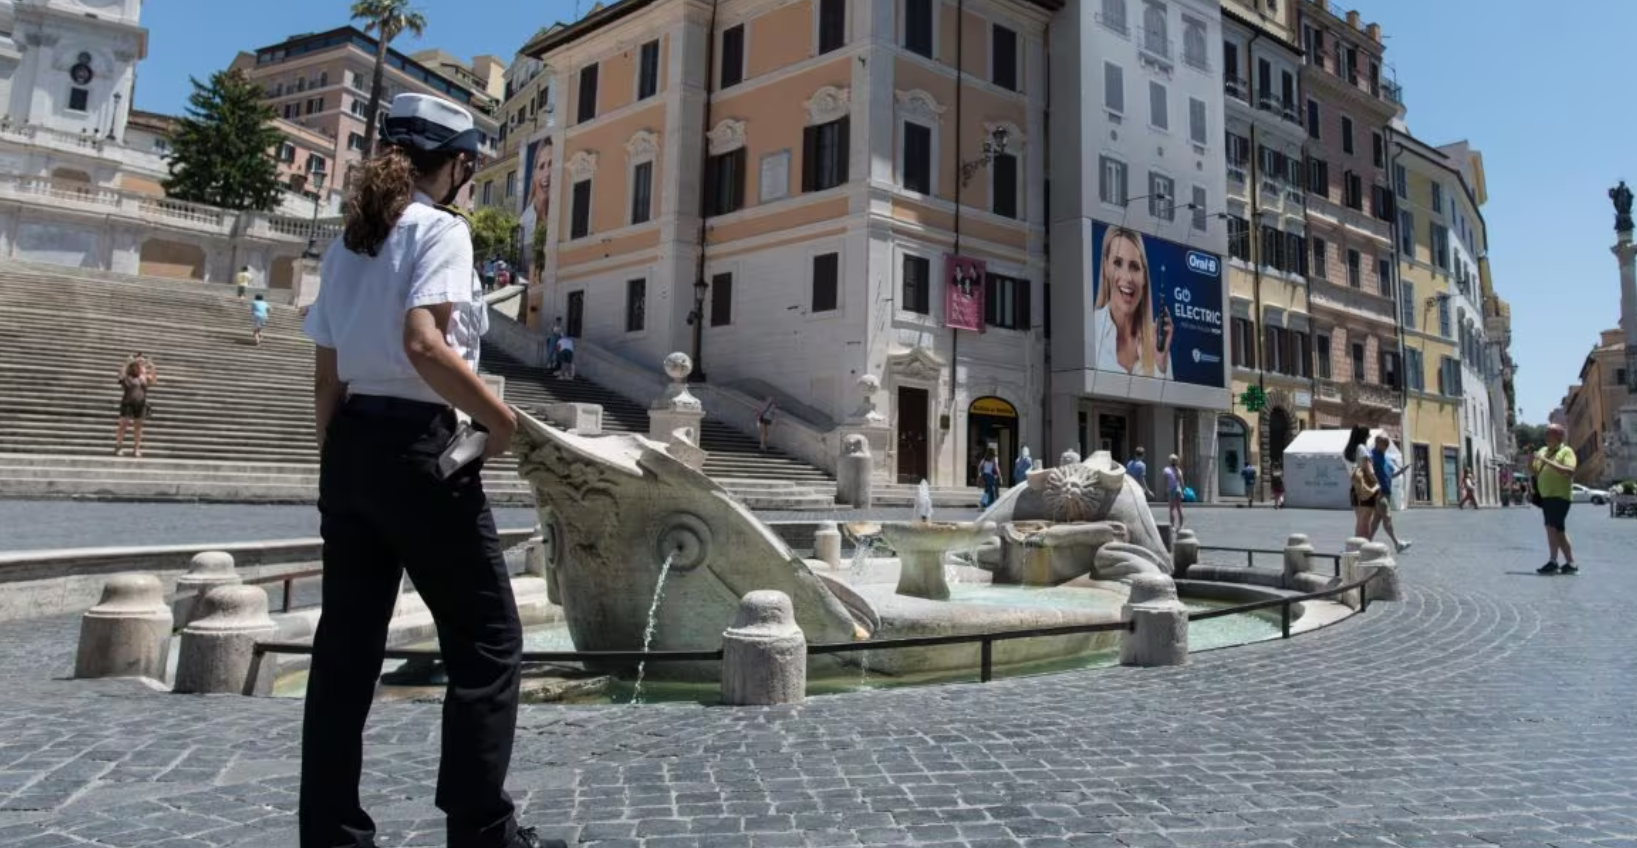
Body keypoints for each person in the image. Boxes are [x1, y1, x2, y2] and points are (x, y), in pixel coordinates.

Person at [297, 93, 555, 848]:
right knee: (487, 640)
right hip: (419, 445)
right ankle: (481, 830)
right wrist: (499, 421)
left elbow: (326, 377)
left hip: (349, 447)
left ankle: (331, 835)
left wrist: (338, 468)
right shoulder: (439, 230)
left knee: (344, 656)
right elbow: (423, 343)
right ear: (459, 166)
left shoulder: (349, 242)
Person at [1092, 226, 1173, 380]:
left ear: (1144, 277)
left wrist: (1161, 365)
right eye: (1117, 263)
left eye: (1134, 267)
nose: (1127, 277)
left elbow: (1169, 402)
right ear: (1105, 268)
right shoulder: (1089, 330)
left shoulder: (1157, 341)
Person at [1532, 423, 1578, 574]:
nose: (1545, 436)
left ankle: (1553, 561)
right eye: (1545, 433)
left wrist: (1546, 461)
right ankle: (1571, 563)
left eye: (1549, 433)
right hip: (1546, 496)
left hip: (1560, 496)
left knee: (1551, 527)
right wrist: (1529, 461)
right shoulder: (1543, 451)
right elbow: (1534, 469)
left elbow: (1569, 471)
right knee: (1558, 530)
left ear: (1559, 436)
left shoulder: (1566, 451)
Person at [1367, 433, 1412, 553]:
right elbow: (1367, 473)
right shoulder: (1371, 456)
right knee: (1387, 517)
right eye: (1384, 443)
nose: (1387, 445)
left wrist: (1401, 471)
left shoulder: (1386, 458)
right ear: (1377, 442)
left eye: (1387, 443)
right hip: (1379, 493)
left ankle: (1366, 543)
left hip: (1387, 492)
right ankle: (1397, 543)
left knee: (1376, 521)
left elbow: (1390, 475)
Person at [114, 354, 156, 457]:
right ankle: (118, 446)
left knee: (138, 427)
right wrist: (127, 362)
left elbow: (153, 380)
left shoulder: (144, 378)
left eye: (140, 366)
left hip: (140, 405)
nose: (139, 368)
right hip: (127, 403)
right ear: (132, 367)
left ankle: (136, 449)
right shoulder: (127, 377)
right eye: (137, 366)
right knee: (123, 425)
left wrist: (151, 367)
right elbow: (120, 374)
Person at [1343, 426, 1378, 539]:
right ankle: (1364, 547)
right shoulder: (1362, 448)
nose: (1370, 436)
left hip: (1355, 488)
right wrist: (1378, 483)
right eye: (1368, 434)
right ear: (1364, 435)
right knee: (1365, 521)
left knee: (1360, 520)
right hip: (1366, 489)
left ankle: (1358, 545)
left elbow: (1353, 471)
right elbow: (1369, 470)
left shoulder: (1348, 450)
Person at [1164, 453, 1185, 530]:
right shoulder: (1179, 470)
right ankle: (1181, 525)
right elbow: (1182, 482)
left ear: (1170, 461)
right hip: (1178, 490)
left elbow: (1165, 481)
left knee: (1172, 508)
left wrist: (1166, 490)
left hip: (1171, 490)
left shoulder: (1166, 469)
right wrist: (1183, 491)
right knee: (1179, 508)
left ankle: (1172, 526)